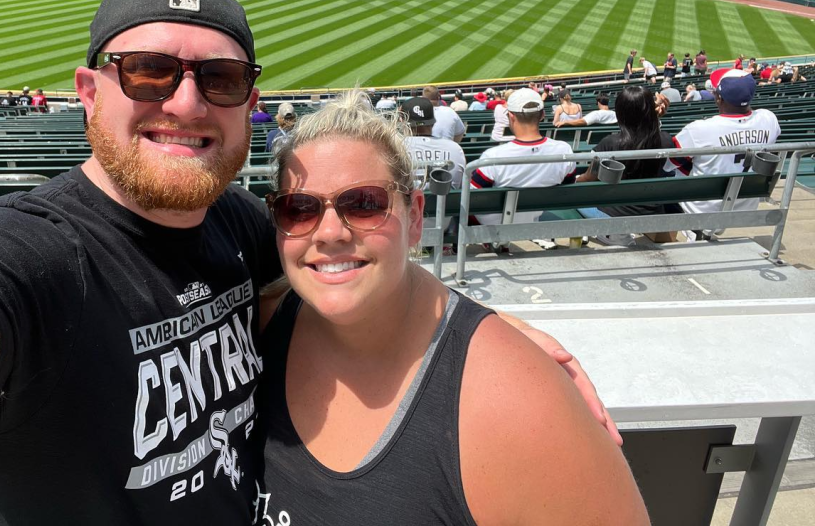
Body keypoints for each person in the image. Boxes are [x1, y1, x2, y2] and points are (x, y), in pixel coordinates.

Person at [0, 0, 608, 525]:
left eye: (218, 79)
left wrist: (472, 328)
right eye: (147, 72)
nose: (184, 102)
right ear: (87, 92)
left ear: (247, 102)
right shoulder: (26, 260)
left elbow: (347, 255)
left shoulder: (241, 226)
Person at [257, 92, 648, 526]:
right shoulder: (257, 326)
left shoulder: (521, 403)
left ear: (415, 215)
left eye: (365, 203)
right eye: (298, 208)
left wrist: (493, 339)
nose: (329, 232)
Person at [668, 69, 781, 219]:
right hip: (746, 206)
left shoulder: (699, 129)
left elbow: (668, 164)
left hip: (700, 210)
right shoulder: (769, 119)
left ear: (718, 98)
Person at [576, 86, 679, 244]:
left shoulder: (610, 143)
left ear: (620, 112)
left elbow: (589, 178)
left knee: (574, 194)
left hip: (614, 215)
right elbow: (650, 137)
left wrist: (576, 180)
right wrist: (653, 119)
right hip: (651, 213)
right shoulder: (665, 139)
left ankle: (610, 234)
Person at [471, 88, 578, 233]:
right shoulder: (564, 150)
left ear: (511, 116)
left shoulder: (492, 156)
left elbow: (471, 199)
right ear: (542, 115)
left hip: (496, 227)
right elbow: (567, 187)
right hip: (535, 218)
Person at [400, 97, 465, 190]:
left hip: (408, 203)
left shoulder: (394, 148)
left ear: (402, 121)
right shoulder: (455, 149)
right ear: (434, 122)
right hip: (448, 204)